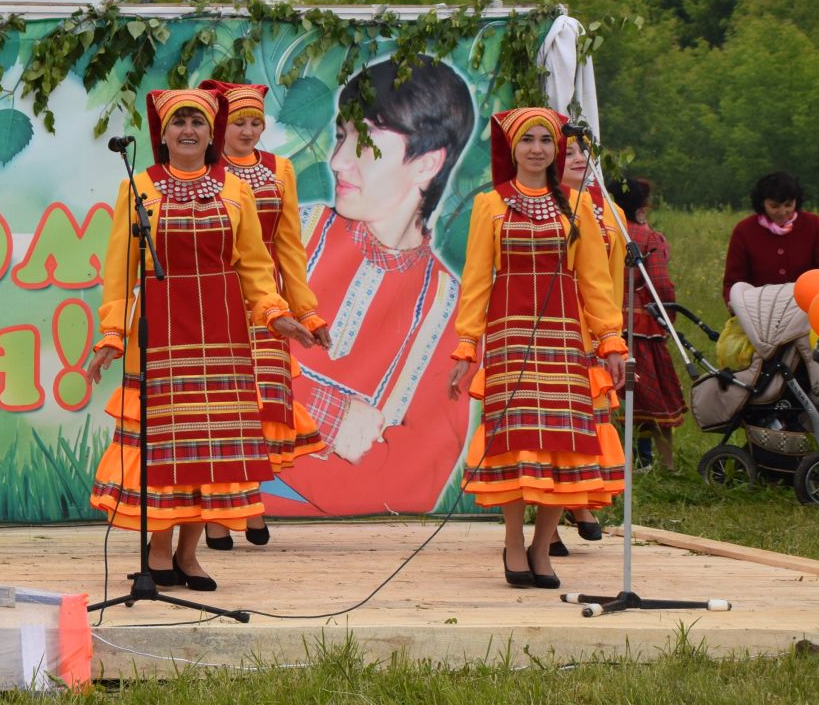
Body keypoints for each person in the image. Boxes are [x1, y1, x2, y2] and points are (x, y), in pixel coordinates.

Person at [83, 88, 317, 592]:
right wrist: (111, 333)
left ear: (212, 134)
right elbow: (121, 271)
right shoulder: (139, 186)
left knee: (206, 446)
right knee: (165, 443)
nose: (187, 130)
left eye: (196, 122)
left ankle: (188, 555)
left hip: (222, 330)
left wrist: (276, 314)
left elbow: (254, 266)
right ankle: (159, 551)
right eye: (178, 122)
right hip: (162, 327)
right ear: (162, 134)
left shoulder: (235, 189)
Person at [282, 58, 474, 517]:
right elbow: (224, 371)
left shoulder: (451, 307)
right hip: (235, 519)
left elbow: (412, 484)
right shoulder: (290, 238)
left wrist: (281, 424)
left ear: (427, 162)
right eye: (341, 136)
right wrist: (332, 416)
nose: (337, 161)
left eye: (363, 141)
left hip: (355, 544)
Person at [446, 108, 626, 590]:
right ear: (512, 149)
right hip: (508, 337)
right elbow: (477, 281)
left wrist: (610, 340)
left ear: (557, 149)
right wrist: (467, 347)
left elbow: (594, 279)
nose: (538, 149)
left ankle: (542, 548)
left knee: (561, 446)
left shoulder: (577, 204)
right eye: (527, 140)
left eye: (546, 140)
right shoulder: (491, 204)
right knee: (517, 442)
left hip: (565, 338)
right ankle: (512, 543)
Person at [198, 79, 329, 549]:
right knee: (219, 405)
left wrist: (305, 311)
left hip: (265, 301)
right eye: (239, 122)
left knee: (259, 407)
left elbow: (290, 246)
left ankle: (251, 503)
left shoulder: (279, 170)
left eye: (256, 122)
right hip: (214, 298)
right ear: (220, 126)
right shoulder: (204, 172)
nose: (248, 130)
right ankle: (215, 514)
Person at [555, 132, 626, 551]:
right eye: (568, 152)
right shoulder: (539, 207)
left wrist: (611, 335)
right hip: (554, 329)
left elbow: (610, 279)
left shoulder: (610, 211)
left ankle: (577, 501)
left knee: (588, 423)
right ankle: (558, 512)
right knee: (549, 425)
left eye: (583, 150)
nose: (578, 158)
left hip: (595, 333)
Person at [611, 175, 685, 472]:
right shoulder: (646, 238)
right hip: (643, 328)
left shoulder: (606, 230)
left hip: (609, 325)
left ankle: (623, 462)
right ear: (641, 208)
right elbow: (660, 285)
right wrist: (667, 318)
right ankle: (665, 464)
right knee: (654, 400)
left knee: (618, 399)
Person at [721, 171, 819, 300]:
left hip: (806, 305)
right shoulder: (744, 230)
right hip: (760, 308)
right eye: (774, 206)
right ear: (762, 203)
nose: (782, 212)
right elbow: (734, 281)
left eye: (788, 205)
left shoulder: (812, 224)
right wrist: (733, 302)